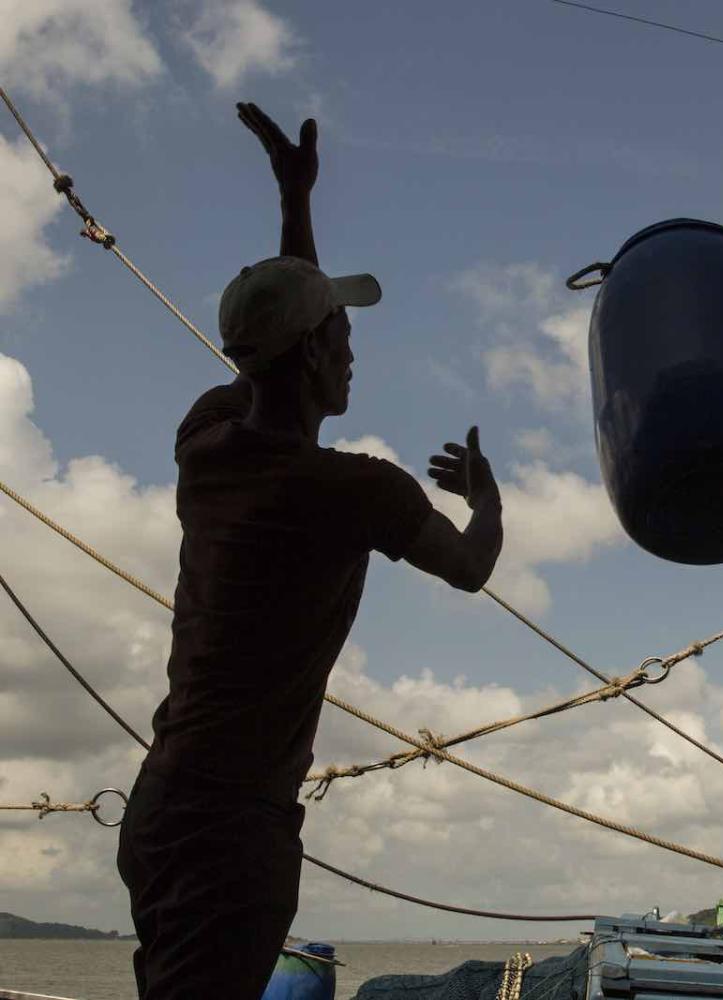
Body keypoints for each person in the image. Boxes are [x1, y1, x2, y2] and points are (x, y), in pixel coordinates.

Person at [116, 103, 505, 1000]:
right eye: (343, 336)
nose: (354, 352)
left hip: (163, 807)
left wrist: (295, 204)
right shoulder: (352, 490)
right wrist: (488, 499)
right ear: (319, 356)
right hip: (234, 830)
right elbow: (473, 566)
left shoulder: (206, 441)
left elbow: (272, 342)